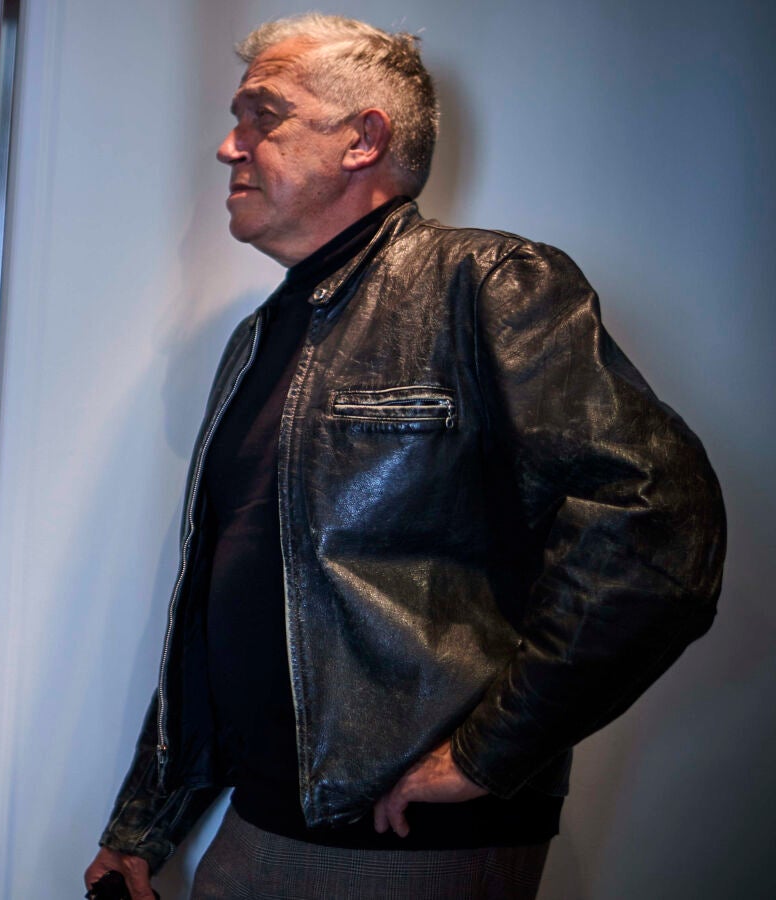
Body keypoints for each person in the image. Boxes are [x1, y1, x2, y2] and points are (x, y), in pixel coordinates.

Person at [83, 14, 725, 900]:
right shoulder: (256, 340)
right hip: (253, 826)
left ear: (364, 139)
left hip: (408, 845)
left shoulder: (487, 282)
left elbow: (660, 525)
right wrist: (145, 827)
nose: (230, 146)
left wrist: (487, 754)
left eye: (264, 114)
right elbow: (215, 604)